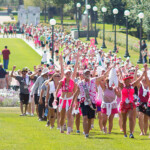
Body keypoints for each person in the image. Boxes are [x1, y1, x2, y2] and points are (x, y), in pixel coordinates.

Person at [118, 65, 146, 138]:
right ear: (124, 80)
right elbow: (116, 80)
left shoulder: (132, 85)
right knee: (124, 120)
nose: (128, 81)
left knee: (131, 118)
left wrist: (143, 73)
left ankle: (131, 133)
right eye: (127, 79)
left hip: (131, 103)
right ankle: (125, 133)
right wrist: (116, 71)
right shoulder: (122, 86)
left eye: (129, 79)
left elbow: (139, 80)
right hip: (123, 103)